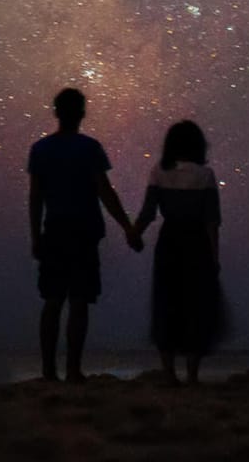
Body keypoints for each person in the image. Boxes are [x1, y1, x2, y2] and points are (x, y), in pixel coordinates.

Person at [28, 87, 143, 382]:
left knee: (53, 300)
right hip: (83, 231)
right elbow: (104, 191)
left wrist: (35, 236)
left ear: (56, 112)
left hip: (54, 230)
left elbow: (35, 197)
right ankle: (72, 370)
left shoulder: (40, 150)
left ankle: (49, 370)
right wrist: (127, 226)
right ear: (82, 112)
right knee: (79, 300)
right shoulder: (90, 148)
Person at [133, 120, 226, 384]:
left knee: (167, 302)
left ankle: (169, 371)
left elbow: (149, 212)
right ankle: (193, 375)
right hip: (196, 243)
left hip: (170, 241)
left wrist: (134, 233)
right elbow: (212, 220)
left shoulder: (159, 172)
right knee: (195, 306)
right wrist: (215, 256)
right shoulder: (205, 175)